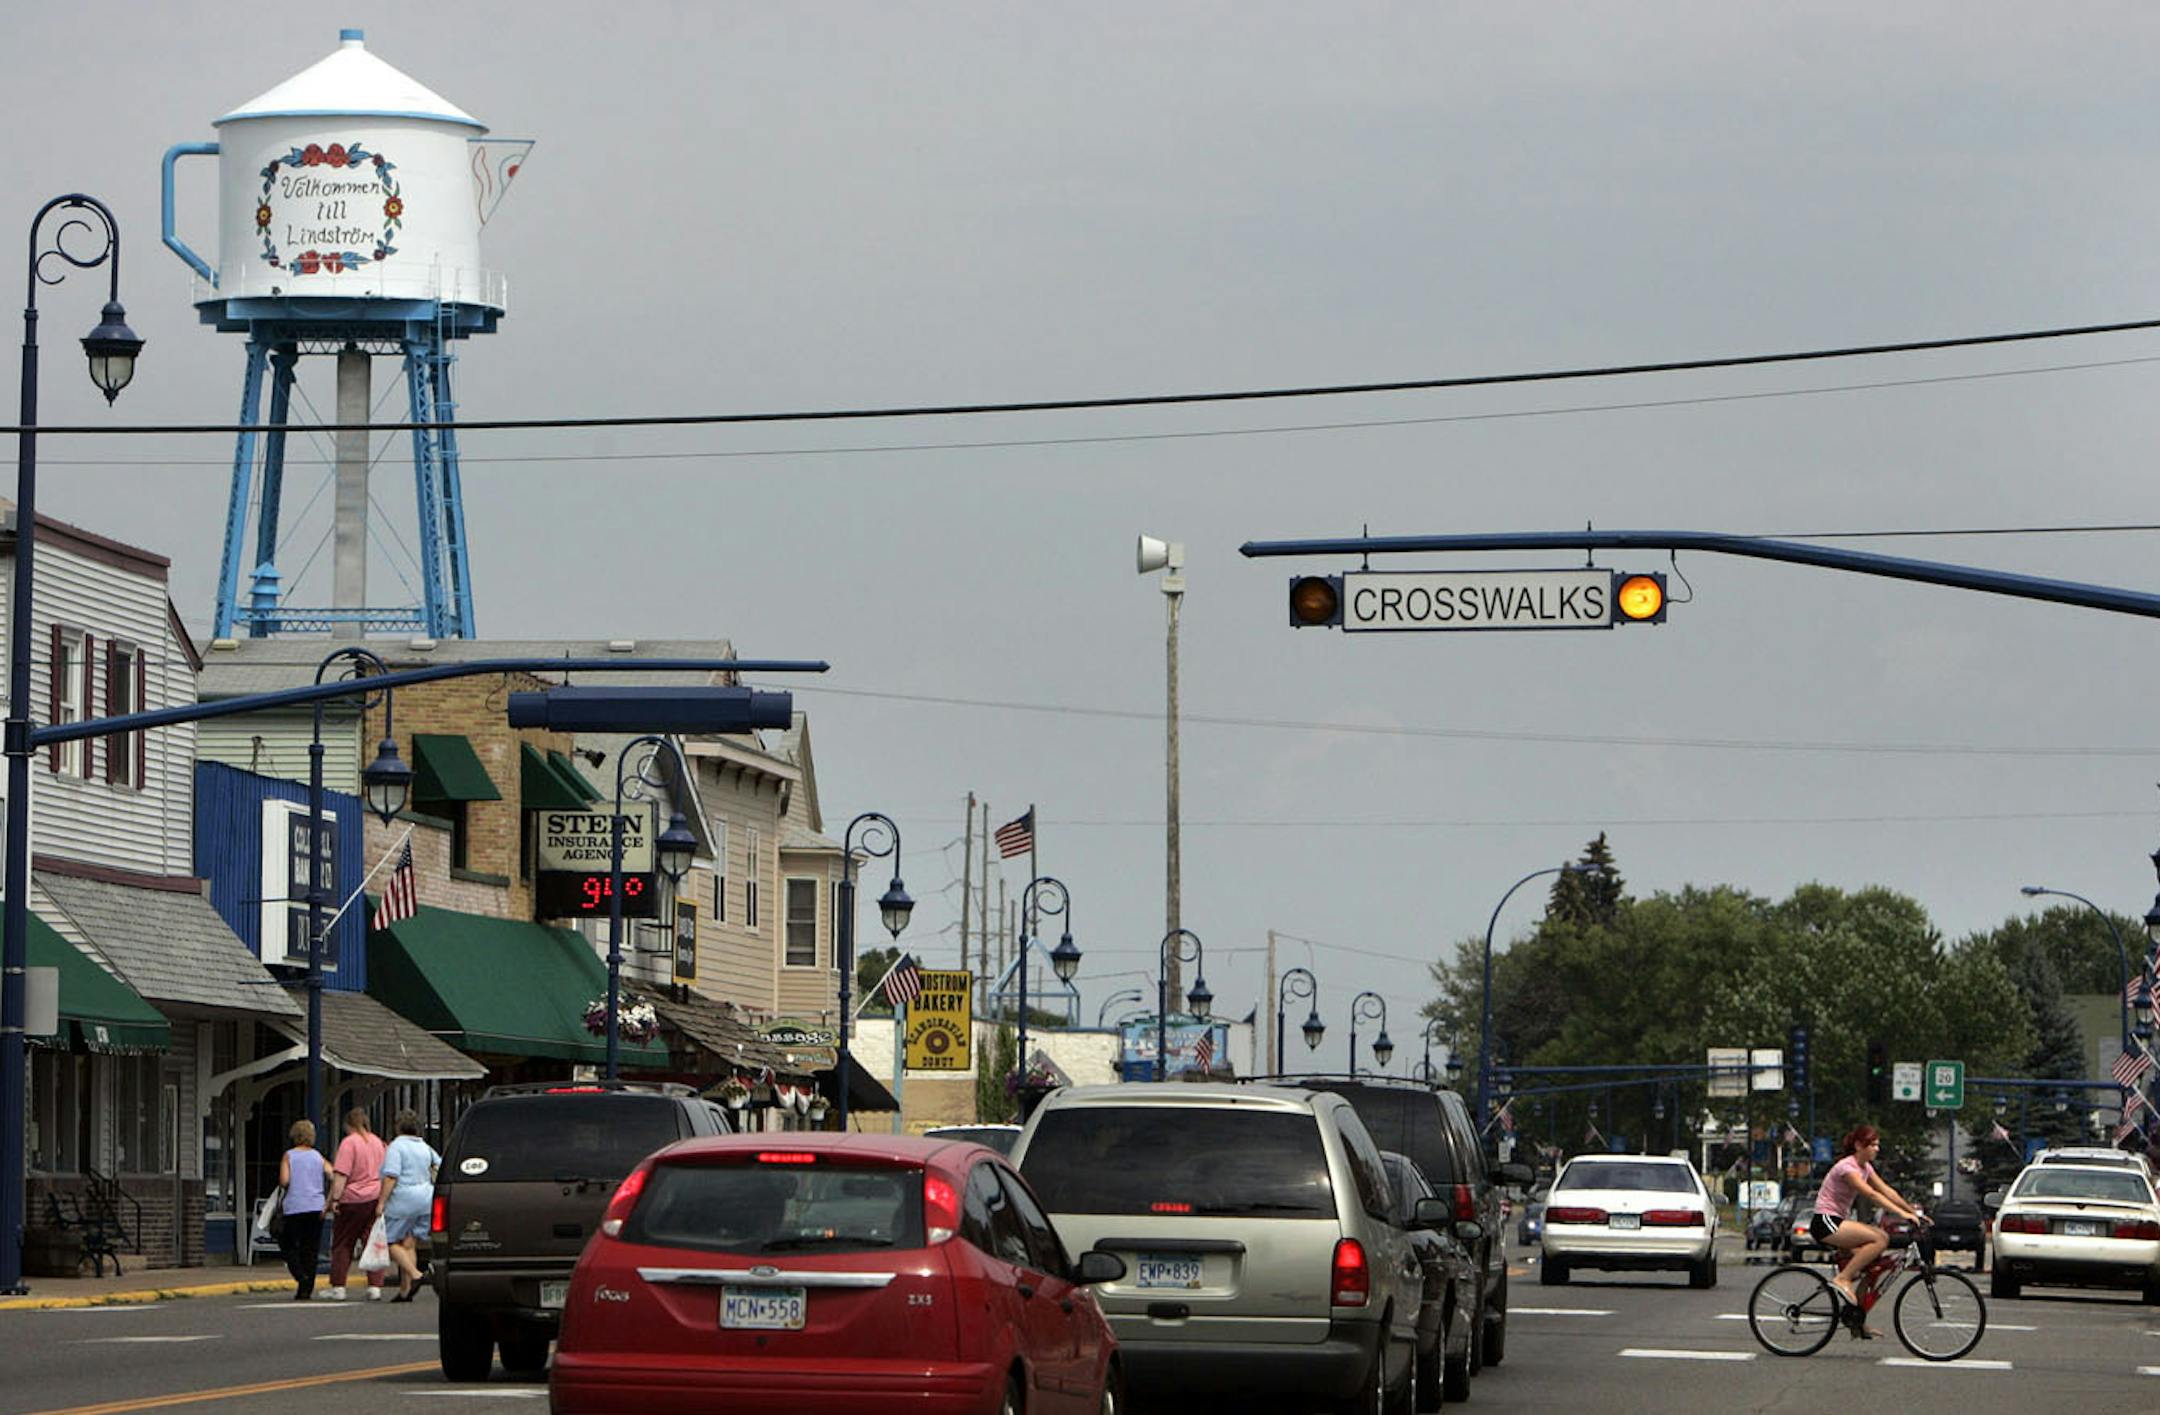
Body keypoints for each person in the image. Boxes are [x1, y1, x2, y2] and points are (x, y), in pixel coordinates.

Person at [1810, 1124, 1928, 1326]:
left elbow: (1887, 1190)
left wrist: (1912, 1211)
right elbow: (1871, 1194)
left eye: (1877, 1144)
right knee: (1880, 1238)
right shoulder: (1847, 1168)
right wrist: (1901, 1214)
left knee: (1872, 1267)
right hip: (1825, 1222)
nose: (1877, 1149)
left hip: (1838, 1222)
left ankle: (1857, 1321)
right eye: (1872, 1144)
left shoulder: (1865, 1168)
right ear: (1858, 1146)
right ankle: (1843, 1279)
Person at [376, 1108, 440, 1302]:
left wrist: (381, 1203)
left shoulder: (396, 1147)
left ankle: (415, 1274)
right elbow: (439, 1165)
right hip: (425, 1198)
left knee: (389, 1241)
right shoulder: (425, 1147)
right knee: (409, 1243)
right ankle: (406, 1290)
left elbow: (391, 1176)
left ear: (398, 1127)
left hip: (403, 1200)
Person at [325, 1108, 387, 1301]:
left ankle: (338, 1286)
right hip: (374, 1197)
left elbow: (341, 1174)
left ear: (347, 1124)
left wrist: (335, 1199)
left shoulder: (348, 1143)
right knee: (372, 1242)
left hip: (352, 1199)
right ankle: (375, 1286)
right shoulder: (378, 1142)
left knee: (343, 1243)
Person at [278, 1119, 329, 1301]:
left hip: (295, 1206)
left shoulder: (289, 1156)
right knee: (311, 1249)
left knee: (288, 1245)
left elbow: (284, 1181)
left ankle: (300, 1275)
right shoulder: (317, 1156)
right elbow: (332, 1172)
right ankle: (306, 1289)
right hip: (316, 1205)